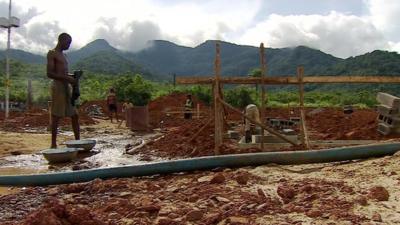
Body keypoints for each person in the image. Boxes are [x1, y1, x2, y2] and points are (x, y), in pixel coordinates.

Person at [47, 33, 80, 148]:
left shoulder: (64, 56)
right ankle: (53, 144)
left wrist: (74, 76)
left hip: (67, 86)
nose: (69, 45)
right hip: (58, 86)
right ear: (61, 40)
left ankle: (78, 142)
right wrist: (68, 78)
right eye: (68, 43)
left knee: (75, 115)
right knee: (56, 115)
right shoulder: (52, 54)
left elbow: (64, 73)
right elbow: (50, 73)